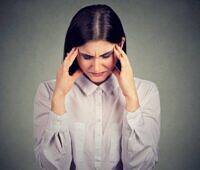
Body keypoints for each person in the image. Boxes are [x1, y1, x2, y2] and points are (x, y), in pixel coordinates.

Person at [33, 4, 161, 170]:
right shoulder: (48, 92)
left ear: (121, 44)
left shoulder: (146, 92)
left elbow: (142, 166)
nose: (97, 67)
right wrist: (58, 98)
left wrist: (131, 98)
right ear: (73, 49)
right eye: (86, 57)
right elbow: (50, 167)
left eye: (105, 55)